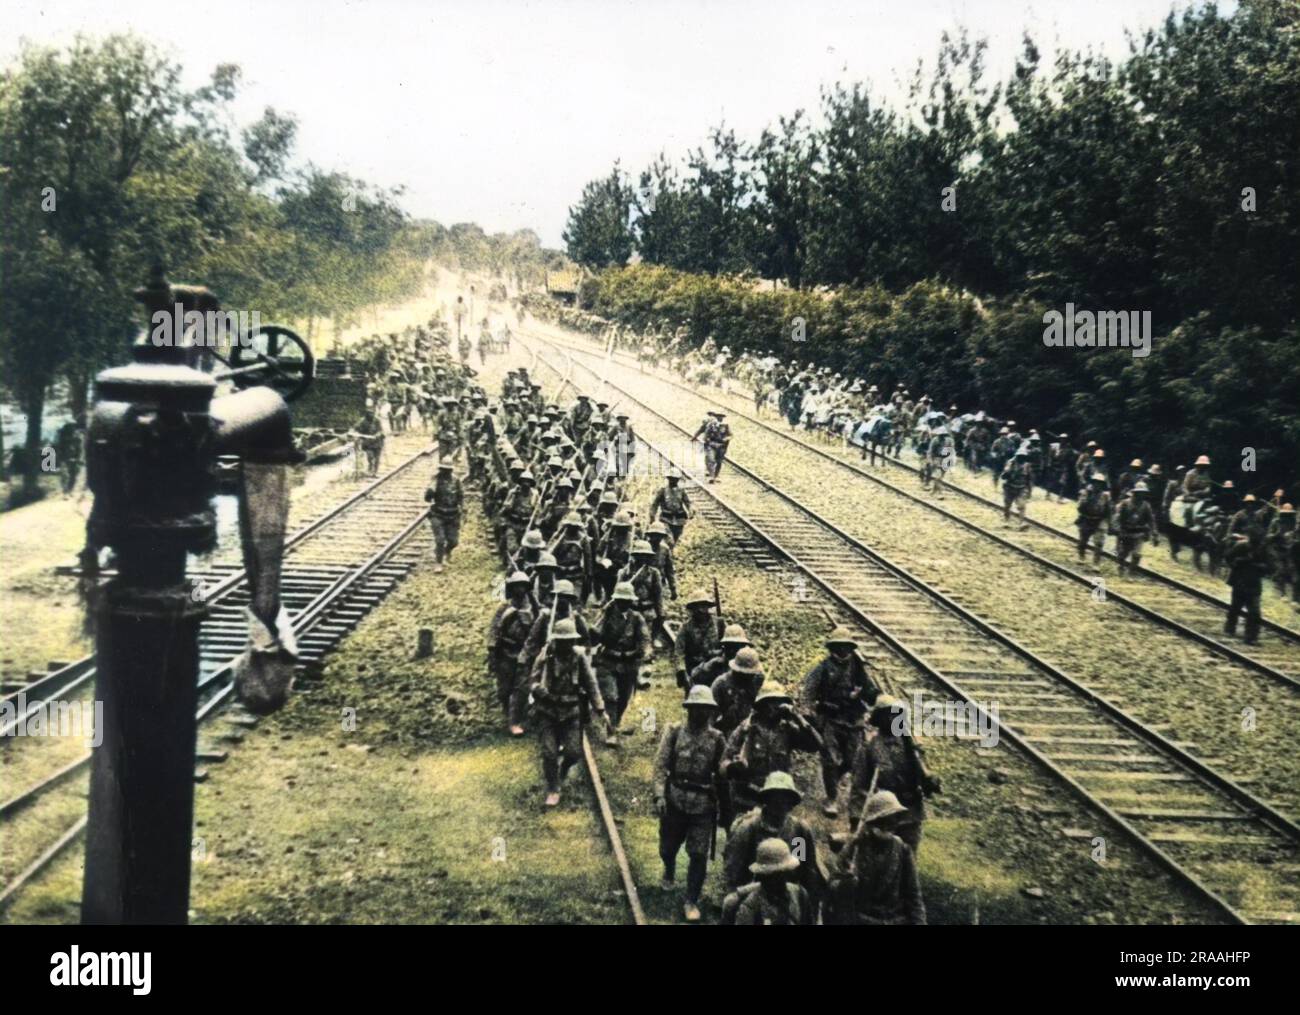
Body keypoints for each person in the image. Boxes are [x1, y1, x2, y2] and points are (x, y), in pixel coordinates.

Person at [653, 685, 726, 922]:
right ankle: (669, 868)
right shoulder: (674, 732)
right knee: (667, 847)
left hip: (703, 806)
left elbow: (723, 776)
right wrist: (659, 796)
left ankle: (691, 899)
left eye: (705, 709)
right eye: (696, 709)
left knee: (698, 854)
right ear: (688, 709)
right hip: (675, 800)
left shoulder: (717, 739)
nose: (700, 714)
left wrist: (725, 809)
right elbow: (660, 766)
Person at [801, 628, 881, 817]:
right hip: (831, 719)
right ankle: (831, 798)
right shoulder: (823, 667)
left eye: (846, 646)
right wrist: (807, 710)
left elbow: (871, 692)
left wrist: (876, 698)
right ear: (833, 647)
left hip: (854, 721)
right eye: (839, 646)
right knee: (830, 760)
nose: (843, 650)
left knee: (852, 761)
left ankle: (837, 782)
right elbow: (808, 691)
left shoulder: (858, 667)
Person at [530, 617, 610, 806]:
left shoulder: (579, 657)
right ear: (556, 640)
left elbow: (591, 684)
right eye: (563, 641)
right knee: (549, 753)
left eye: (570, 641)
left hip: (571, 711)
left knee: (573, 752)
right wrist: (537, 689)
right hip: (547, 711)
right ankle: (553, 787)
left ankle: (563, 770)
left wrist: (600, 709)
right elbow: (532, 680)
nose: (567, 645)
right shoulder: (545, 656)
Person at [848, 697, 939, 854]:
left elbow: (924, 775)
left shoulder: (910, 745)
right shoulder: (870, 748)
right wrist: (856, 819)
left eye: (897, 714)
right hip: (885, 813)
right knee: (883, 856)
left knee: (908, 855)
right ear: (879, 718)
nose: (893, 718)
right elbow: (859, 786)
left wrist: (931, 779)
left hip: (910, 810)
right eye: (889, 714)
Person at [722, 772, 825, 907]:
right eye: (775, 797)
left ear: (791, 802)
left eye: (785, 797)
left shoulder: (798, 831)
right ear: (766, 799)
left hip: (787, 896)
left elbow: (803, 870)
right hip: (754, 895)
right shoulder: (749, 829)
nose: (780, 803)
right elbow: (733, 872)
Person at [825, 791, 926, 925]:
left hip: (893, 920)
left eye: (892, 819)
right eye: (882, 820)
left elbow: (913, 896)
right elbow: (833, 885)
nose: (888, 824)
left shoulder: (902, 850)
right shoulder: (856, 847)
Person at [722, 684, 822, 818]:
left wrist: (797, 716)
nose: (777, 706)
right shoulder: (746, 729)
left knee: (795, 838)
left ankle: (797, 841)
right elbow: (723, 764)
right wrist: (734, 766)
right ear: (763, 704)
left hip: (777, 799)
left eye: (780, 702)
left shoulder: (787, 730)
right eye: (772, 701)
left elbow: (816, 745)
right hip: (747, 800)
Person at [592, 581, 650, 740]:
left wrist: (643, 654)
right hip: (608, 662)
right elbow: (595, 635)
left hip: (629, 664)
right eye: (620, 600)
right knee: (611, 697)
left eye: (627, 601)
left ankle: (615, 723)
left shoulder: (637, 618)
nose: (623, 603)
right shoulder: (607, 614)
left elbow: (644, 639)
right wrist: (602, 616)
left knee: (623, 698)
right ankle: (611, 731)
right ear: (616, 600)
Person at [720, 838, 815, 926]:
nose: (779, 879)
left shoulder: (799, 895)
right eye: (773, 875)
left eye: (782, 873)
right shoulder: (751, 906)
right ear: (762, 876)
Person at [488, 572, 535, 732]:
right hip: (506, 653)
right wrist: (492, 651)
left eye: (522, 586)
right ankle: (507, 712)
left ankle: (515, 721)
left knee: (521, 688)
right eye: (516, 586)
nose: (519, 589)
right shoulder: (504, 608)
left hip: (524, 653)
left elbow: (536, 633)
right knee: (504, 689)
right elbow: (494, 630)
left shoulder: (533, 609)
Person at [674, 590, 722, 689]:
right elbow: (679, 653)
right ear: (692, 609)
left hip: (716, 669)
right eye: (697, 606)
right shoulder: (686, 628)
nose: (700, 610)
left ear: (708, 607)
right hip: (695, 670)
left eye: (703, 606)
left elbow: (729, 645)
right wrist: (682, 672)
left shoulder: (719, 624)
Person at [1224, 533, 1264, 645]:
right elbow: (1228, 557)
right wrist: (1239, 563)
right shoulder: (1241, 546)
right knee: (1236, 607)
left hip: (1254, 583)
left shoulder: (1263, 548)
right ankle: (1230, 627)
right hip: (1240, 581)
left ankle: (1251, 637)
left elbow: (1270, 566)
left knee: (1254, 612)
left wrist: (1259, 566)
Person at [1115, 480, 1156, 574]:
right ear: (1135, 493)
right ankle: (1120, 566)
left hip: (1139, 532)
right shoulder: (1125, 503)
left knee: (1137, 554)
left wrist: (1154, 532)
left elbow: (1151, 520)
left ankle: (1131, 571)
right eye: (1139, 493)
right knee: (1124, 552)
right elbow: (1118, 517)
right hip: (1126, 531)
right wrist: (1118, 529)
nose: (1141, 495)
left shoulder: (1146, 505)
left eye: (1143, 493)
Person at [1075, 472, 1113, 566]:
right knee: (1083, 541)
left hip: (1099, 520)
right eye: (1096, 482)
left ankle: (1096, 563)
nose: (1097, 485)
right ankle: (1081, 557)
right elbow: (1079, 507)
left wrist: (1109, 523)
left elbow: (1108, 510)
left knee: (1099, 543)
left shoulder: (1105, 496)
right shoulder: (1086, 493)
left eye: (1100, 483)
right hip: (1086, 519)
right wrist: (1086, 499)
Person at [649, 468, 693, 541]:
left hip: (679, 520)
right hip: (666, 519)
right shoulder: (663, 490)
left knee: (675, 538)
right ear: (668, 479)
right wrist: (652, 515)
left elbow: (687, 502)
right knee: (669, 538)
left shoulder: (681, 491)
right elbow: (655, 503)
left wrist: (691, 510)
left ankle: (670, 551)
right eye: (671, 479)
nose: (673, 481)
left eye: (675, 479)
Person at [691, 411, 732, 483]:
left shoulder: (726, 426)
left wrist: (725, 439)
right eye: (719, 416)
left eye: (721, 417)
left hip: (721, 446)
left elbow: (730, 435)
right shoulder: (711, 425)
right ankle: (712, 476)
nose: (720, 418)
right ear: (716, 417)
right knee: (711, 460)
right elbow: (705, 435)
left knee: (719, 462)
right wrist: (709, 441)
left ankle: (716, 476)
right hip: (711, 445)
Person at [1000, 448, 1034, 528]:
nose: (1021, 458)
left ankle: (1021, 523)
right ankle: (1006, 521)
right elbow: (1003, 476)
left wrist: (1030, 491)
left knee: (1022, 506)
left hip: (1021, 488)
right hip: (1009, 487)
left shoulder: (1027, 466)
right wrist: (1007, 471)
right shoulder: (1010, 463)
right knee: (1007, 505)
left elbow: (1029, 479)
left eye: (1023, 457)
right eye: (1020, 456)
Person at [352, 404, 385, 476]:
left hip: (377, 442)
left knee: (377, 458)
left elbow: (381, 430)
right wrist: (356, 433)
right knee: (370, 456)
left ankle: (375, 472)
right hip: (368, 443)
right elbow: (355, 428)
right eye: (369, 413)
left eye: (372, 413)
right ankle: (370, 468)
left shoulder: (377, 420)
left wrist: (377, 435)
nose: (371, 415)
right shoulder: (362, 421)